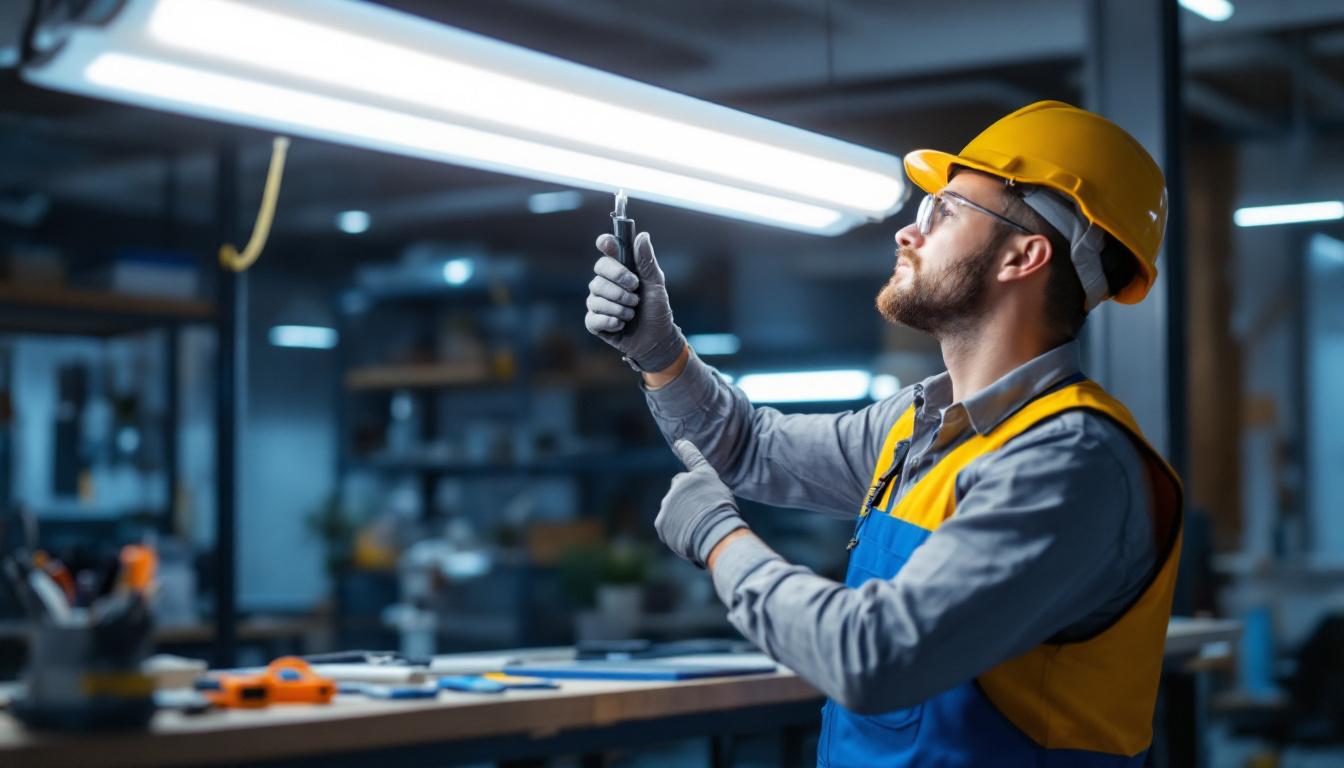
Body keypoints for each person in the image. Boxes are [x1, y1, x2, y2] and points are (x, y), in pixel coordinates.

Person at [583, 101, 1182, 767]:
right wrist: (661, 353)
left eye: (941, 213)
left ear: (1024, 255)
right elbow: (745, 447)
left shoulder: (1070, 460)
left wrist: (722, 541)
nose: (906, 233)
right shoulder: (917, 426)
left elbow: (873, 659)